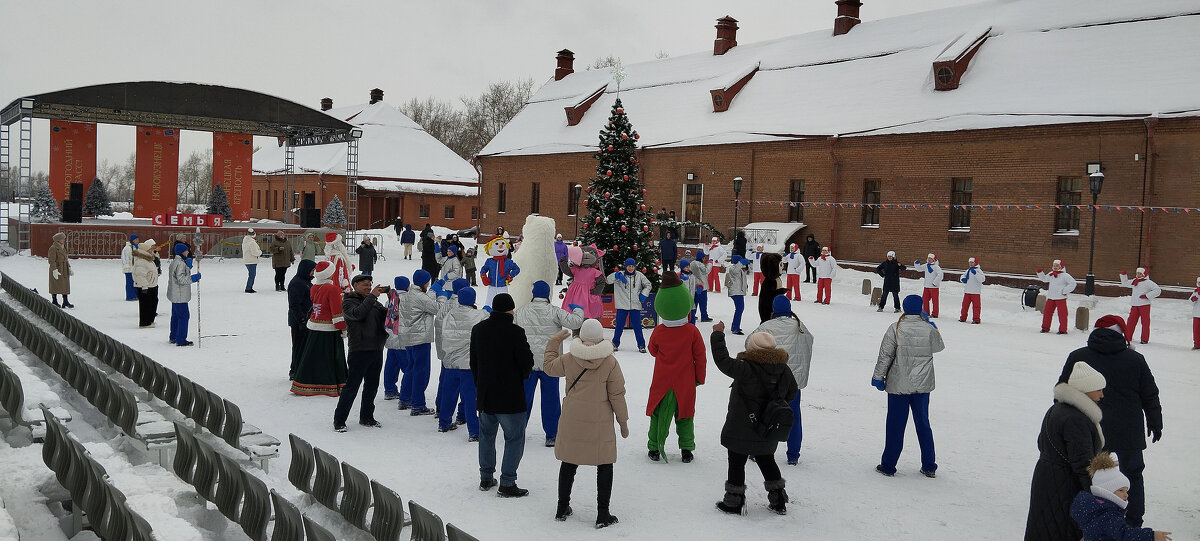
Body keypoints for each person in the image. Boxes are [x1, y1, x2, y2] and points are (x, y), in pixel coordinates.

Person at [1057, 315, 1163, 529]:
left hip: (1089, 427)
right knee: (1133, 474)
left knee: (1088, 474)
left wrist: (1061, 424)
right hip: (1128, 429)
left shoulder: (1078, 357)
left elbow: (1063, 392)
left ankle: (1086, 518)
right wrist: (1155, 420)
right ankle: (1132, 522)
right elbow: (1149, 394)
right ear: (1121, 334)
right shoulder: (1135, 359)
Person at [543, 320, 628, 528]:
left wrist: (553, 342)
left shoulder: (570, 358)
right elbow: (617, 394)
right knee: (605, 464)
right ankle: (602, 514)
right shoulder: (610, 362)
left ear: (581, 336)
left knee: (569, 462)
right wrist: (623, 421)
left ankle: (562, 508)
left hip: (572, 418)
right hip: (600, 422)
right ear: (600, 337)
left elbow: (548, 368)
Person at [709, 323, 797, 515]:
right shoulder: (783, 370)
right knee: (767, 460)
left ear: (752, 348)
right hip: (768, 427)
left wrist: (717, 334)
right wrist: (771, 407)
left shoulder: (745, 368)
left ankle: (733, 502)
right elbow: (791, 392)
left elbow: (722, 360)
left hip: (740, 426)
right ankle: (778, 499)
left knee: (736, 461)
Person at [1024, 361, 1106, 540]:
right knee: (1061, 531)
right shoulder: (1076, 419)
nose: (1102, 394)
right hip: (1065, 485)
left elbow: (1041, 442)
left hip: (1046, 479)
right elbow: (1083, 463)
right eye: (1098, 389)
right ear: (1085, 389)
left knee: (1043, 529)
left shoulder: (1057, 409)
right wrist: (1095, 496)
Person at [872, 295, 944, 478]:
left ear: (904, 307)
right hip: (922, 385)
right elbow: (939, 347)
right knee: (923, 424)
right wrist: (932, 325)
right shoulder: (928, 329)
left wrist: (878, 377)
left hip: (899, 384)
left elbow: (885, 356)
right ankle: (929, 465)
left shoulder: (896, 328)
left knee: (895, 425)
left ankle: (888, 465)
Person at [471, 293, 535, 497]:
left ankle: (486, 477)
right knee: (514, 438)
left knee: (487, 437)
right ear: (510, 310)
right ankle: (507, 483)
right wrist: (522, 376)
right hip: (510, 396)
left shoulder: (478, 329)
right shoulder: (516, 332)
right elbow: (526, 361)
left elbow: (474, 362)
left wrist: (480, 385)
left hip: (486, 394)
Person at [645, 271, 707, 463]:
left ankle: (654, 447)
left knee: (657, 413)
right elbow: (701, 356)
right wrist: (699, 377)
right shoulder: (692, 331)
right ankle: (687, 449)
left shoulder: (658, 331)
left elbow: (652, 350)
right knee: (685, 415)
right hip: (685, 381)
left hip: (662, 380)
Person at [516, 280, 585, 446]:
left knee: (523, 399)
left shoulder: (521, 312)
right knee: (551, 399)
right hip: (551, 363)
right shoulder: (555, 311)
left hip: (527, 364)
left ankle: (517, 432)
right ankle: (552, 435)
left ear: (533, 294)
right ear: (547, 294)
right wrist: (578, 309)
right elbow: (576, 322)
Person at [750, 295, 815, 466]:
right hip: (793, 382)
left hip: (770, 380)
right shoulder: (800, 327)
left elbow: (750, 343)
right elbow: (808, 343)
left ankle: (758, 451)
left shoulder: (766, 327)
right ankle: (793, 454)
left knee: (764, 414)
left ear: (774, 309)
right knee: (793, 416)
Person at [1070, 452, 1173, 541]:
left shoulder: (1096, 508)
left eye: (1126, 490)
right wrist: (1152, 536)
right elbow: (1125, 534)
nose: (1126, 494)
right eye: (1121, 490)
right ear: (1107, 491)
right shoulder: (1107, 515)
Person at [334, 275, 389, 432]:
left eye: (370, 285)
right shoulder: (348, 301)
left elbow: (386, 315)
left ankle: (367, 417)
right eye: (365, 285)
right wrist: (371, 296)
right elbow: (358, 314)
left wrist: (393, 300)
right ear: (355, 285)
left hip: (376, 349)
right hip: (359, 350)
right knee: (352, 387)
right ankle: (339, 420)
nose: (368, 287)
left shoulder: (373, 302)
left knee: (372, 386)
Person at [290, 261, 348, 396]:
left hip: (314, 326)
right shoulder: (332, 289)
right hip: (328, 329)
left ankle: (306, 383)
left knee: (313, 357)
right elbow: (336, 312)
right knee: (328, 359)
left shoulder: (314, 287)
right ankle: (329, 384)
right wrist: (343, 327)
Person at [437, 287, 488, 439]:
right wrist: (486, 308)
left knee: (448, 394)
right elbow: (488, 313)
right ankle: (474, 430)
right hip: (468, 365)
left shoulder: (449, 314)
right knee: (471, 398)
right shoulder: (478, 315)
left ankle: (444, 422)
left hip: (450, 362)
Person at [401, 269, 438, 415]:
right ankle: (418, 404)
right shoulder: (421, 297)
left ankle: (405, 398)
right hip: (420, 339)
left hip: (408, 337)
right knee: (421, 372)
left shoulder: (408, 294)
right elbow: (437, 309)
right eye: (428, 281)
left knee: (410, 369)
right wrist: (436, 294)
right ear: (425, 282)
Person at [607, 260, 652, 353]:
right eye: (629, 266)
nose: (630, 268)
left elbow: (648, 285)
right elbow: (608, 280)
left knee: (637, 327)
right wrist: (616, 275)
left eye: (632, 266)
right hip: (622, 305)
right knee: (619, 326)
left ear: (635, 267)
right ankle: (615, 344)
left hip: (635, 305)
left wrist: (644, 294)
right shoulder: (620, 275)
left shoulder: (639, 275)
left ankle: (641, 345)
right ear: (625, 266)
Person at [287, 259, 317, 380]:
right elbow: (294, 304)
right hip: (298, 320)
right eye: (312, 271)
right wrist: (302, 320)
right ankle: (294, 370)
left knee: (304, 346)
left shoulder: (306, 282)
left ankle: (301, 368)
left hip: (306, 319)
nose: (313, 273)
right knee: (298, 346)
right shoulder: (297, 283)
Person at [166, 243, 201, 347]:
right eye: (186, 250)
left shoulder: (176, 262)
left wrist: (188, 267)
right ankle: (181, 339)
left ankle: (173, 336)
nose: (188, 252)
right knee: (184, 316)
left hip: (175, 294)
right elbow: (181, 279)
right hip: (180, 295)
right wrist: (193, 278)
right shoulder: (180, 263)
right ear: (181, 252)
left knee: (176, 316)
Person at [382, 277, 410, 401]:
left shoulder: (390, 300)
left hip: (390, 337)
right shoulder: (409, 300)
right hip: (403, 339)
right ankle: (407, 391)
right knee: (408, 367)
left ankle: (389, 390)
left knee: (391, 366)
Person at [1118, 268, 1161, 344]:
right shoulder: (1135, 281)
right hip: (1135, 305)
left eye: (1140, 273)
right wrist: (1124, 276)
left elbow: (1158, 290)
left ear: (1144, 274)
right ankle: (1128, 336)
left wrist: (1147, 295)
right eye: (1137, 273)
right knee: (1131, 321)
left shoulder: (1148, 282)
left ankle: (1144, 339)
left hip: (1144, 305)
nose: (1138, 275)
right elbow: (1125, 283)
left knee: (1145, 322)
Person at [1037, 259, 1077, 334]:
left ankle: (1062, 329)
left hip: (1060, 298)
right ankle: (1045, 328)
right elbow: (1045, 279)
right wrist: (1040, 273)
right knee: (1047, 312)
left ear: (1061, 266)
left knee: (1062, 314)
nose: (1055, 267)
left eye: (1057, 265)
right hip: (1051, 297)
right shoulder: (1051, 274)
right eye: (1054, 265)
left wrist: (1064, 291)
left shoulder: (1065, 275)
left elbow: (1073, 283)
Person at [480, 235, 521, 308]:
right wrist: (483, 276)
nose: (501, 246)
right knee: (489, 303)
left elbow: (517, 269)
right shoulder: (489, 261)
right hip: (492, 286)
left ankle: (503, 317)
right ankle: (488, 316)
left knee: (504, 304)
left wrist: (510, 276)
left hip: (503, 286)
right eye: (497, 244)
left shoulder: (508, 262)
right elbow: (483, 269)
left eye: (503, 244)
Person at [131, 238, 160, 328]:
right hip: (145, 286)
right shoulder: (141, 260)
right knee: (145, 305)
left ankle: (150, 320)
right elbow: (140, 275)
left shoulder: (148, 258)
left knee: (152, 303)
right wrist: (144, 286)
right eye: (150, 249)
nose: (152, 250)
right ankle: (145, 322)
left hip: (151, 284)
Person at [756, 253, 785, 325]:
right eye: (780, 265)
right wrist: (780, 291)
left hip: (774, 309)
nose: (783, 267)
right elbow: (769, 295)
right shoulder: (769, 281)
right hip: (768, 310)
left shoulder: (776, 279)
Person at [725, 255, 750, 335]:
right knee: (739, 309)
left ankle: (735, 326)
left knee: (739, 309)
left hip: (739, 291)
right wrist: (741, 262)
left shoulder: (739, 269)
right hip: (736, 292)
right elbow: (735, 271)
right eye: (740, 261)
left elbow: (741, 278)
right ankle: (735, 328)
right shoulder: (733, 268)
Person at [47, 232, 73, 308]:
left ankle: (65, 301)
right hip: (57, 269)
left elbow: (66, 258)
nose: (64, 240)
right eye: (62, 239)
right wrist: (54, 270)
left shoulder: (63, 247)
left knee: (65, 285)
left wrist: (69, 267)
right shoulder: (53, 248)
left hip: (64, 268)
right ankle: (54, 300)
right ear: (58, 240)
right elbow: (51, 260)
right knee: (55, 285)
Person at [959, 257, 985, 324]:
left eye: (972, 262)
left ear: (975, 263)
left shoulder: (979, 271)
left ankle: (976, 319)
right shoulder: (968, 270)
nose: (970, 264)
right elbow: (963, 275)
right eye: (969, 262)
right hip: (967, 291)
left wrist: (975, 274)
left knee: (976, 307)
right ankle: (963, 318)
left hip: (975, 292)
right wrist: (962, 279)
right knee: (964, 306)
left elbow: (982, 279)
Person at [917, 253, 944, 318]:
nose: (929, 259)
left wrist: (935, 282)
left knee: (935, 301)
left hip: (934, 287)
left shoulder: (936, 267)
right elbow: (919, 269)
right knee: (924, 300)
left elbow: (940, 275)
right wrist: (917, 264)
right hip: (926, 286)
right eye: (928, 258)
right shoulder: (926, 265)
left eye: (931, 258)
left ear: (934, 260)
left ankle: (935, 314)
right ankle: (925, 312)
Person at [691, 251, 713, 322]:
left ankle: (692, 314)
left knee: (694, 301)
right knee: (703, 302)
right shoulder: (700, 265)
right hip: (702, 285)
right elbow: (706, 271)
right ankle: (704, 316)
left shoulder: (692, 263)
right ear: (702, 258)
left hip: (694, 285)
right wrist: (710, 263)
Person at [241, 229, 262, 293]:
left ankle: (249, 287)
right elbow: (254, 252)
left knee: (251, 275)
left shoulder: (245, 241)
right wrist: (260, 252)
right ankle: (248, 288)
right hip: (252, 260)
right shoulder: (252, 243)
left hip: (247, 260)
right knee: (252, 275)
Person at [121, 234, 138, 301]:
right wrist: (126, 266)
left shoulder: (135, 247)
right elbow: (124, 258)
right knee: (130, 283)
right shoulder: (127, 248)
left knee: (135, 282)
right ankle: (130, 296)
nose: (137, 241)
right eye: (136, 239)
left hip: (134, 268)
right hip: (129, 269)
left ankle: (135, 295)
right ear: (132, 240)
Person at [1191, 277, 1200, 350]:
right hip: (1196, 314)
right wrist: (1193, 299)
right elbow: (1190, 301)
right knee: (1196, 330)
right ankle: (1196, 344)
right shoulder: (1195, 291)